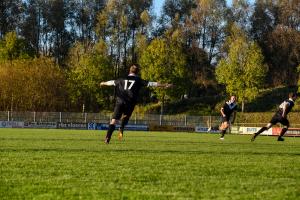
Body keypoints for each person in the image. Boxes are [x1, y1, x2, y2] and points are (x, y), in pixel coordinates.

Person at [100, 64, 172, 144]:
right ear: (137, 72)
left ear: (129, 71)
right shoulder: (138, 80)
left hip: (119, 102)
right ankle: (122, 127)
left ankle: (107, 138)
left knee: (113, 121)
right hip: (130, 102)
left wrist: (103, 83)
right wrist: (164, 85)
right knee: (126, 116)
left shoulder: (121, 79)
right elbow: (152, 83)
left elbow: (111, 82)